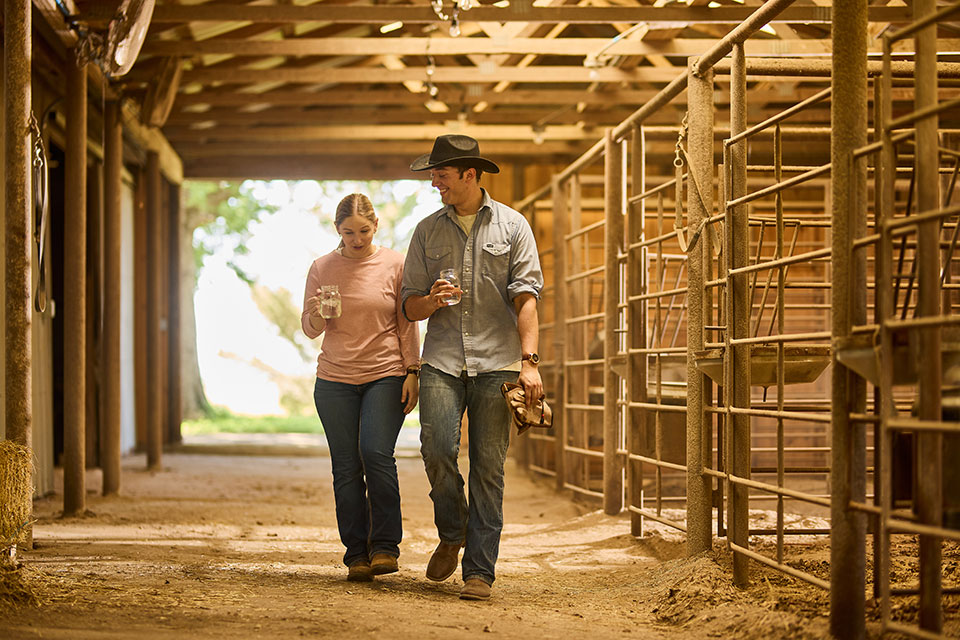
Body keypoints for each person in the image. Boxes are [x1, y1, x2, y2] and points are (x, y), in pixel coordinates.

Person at [401, 134, 544, 601]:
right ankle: (453, 530)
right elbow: (409, 307)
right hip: (441, 359)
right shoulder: (426, 230)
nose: (434, 183)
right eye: (433, 175)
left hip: (498, 363)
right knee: (437, 448)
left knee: (488, 467)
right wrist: (430, 300)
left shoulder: (513, 226)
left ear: (469, 174)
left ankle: (479, 571)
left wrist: (530, 363)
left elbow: (526, 297)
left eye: (441, 175)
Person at [301, 193, 421, 583]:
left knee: (375, 453)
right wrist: (318, 312)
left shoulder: (395, 263)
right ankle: (356, 553)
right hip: (334, 379)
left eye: (364, 231)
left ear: (376, 227)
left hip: (384, 374)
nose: (357, 239)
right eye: (349, 232)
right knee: (346, 467)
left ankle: (385, 546)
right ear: (337, 230)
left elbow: (406, 322)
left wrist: (412, 371)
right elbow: (309, 328)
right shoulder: (322, 267)